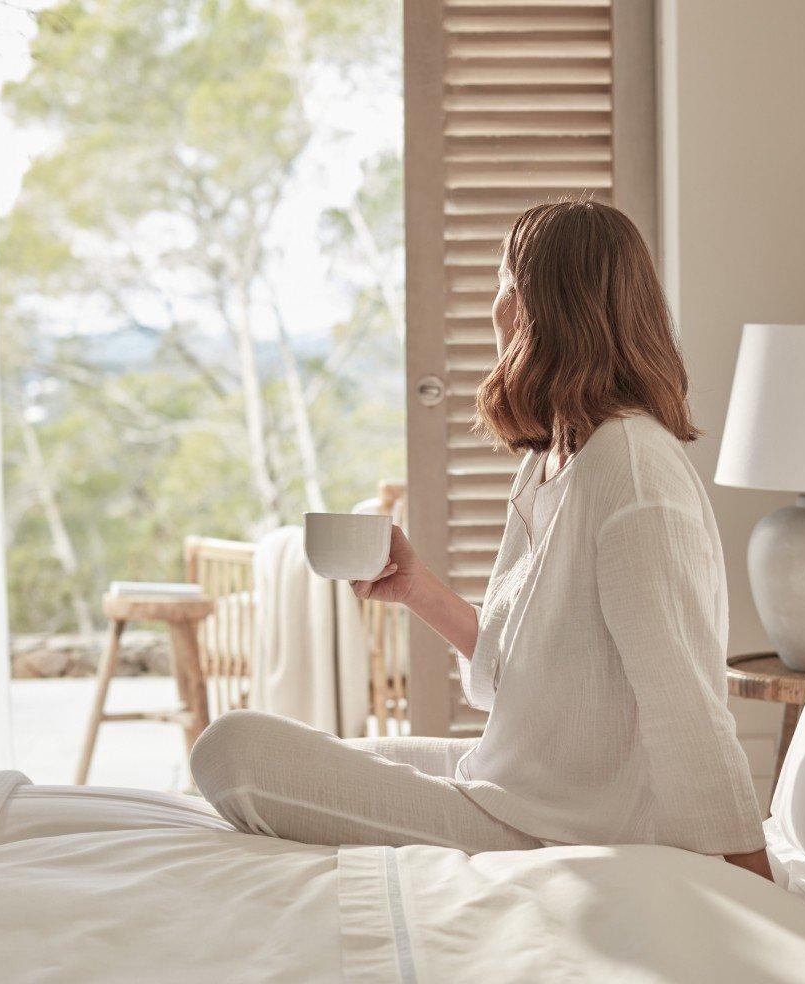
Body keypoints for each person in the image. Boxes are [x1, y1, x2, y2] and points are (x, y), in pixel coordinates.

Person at [190, 199, 771, 880]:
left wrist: (759, 887)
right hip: (515, 785)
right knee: (315, 749)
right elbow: (519, 680)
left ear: (533, 308)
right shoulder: (554, 460)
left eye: (504, 281)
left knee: (235, 750)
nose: (493, 306)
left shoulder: (633, 474)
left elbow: (686, 703)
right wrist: (416, 589)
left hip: (564, 829)